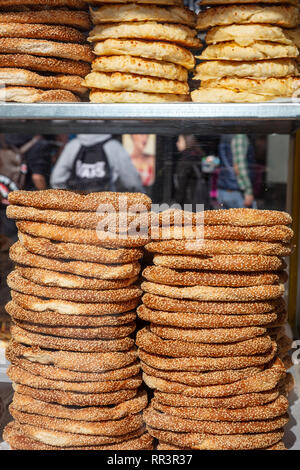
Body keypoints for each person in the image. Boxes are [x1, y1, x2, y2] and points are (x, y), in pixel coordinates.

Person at [50, 134, 144, 193]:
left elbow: (56, 180)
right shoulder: (113, 146)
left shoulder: (72, 146)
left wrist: (72, 201)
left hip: (78, 211)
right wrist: (142, 195)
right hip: (106, 210)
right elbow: (132, 181)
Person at [217, 134, 255, 209]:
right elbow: (239, 166)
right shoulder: (240, 136)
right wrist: (248, 191)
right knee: (248, 220)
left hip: (223, 190)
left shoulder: (224, 136)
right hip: (237, 191)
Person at [174, 135, 210, 210]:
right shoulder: (200, 156)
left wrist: (177, 203)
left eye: (179, 141)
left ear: (186, 142)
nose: (177, 143)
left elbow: (181, 186)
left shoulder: (185, 160)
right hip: (201, 201)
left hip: (188, 203)